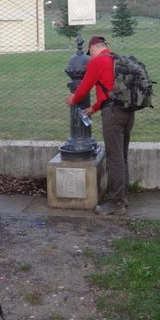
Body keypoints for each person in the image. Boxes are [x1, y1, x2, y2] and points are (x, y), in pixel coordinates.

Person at [64, 35, 135, 216]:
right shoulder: (117, 59)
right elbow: (109, 92)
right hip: (128, 111)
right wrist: (93, 109)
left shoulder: (97, 61)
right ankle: (122, 196)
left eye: (91, 53)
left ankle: (116, 203)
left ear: (93, 48)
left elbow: (84, 87)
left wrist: (74, 99)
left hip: (113, 114)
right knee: (122, 155)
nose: (90, 56)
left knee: (114, 157)